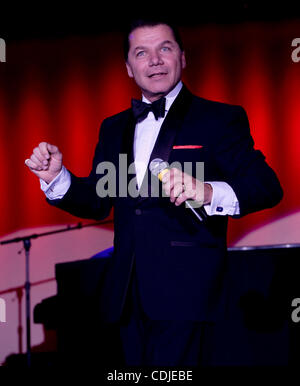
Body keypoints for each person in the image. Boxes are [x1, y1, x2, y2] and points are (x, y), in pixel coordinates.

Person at [25, 19, 283, 366]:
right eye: (141, 53)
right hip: (126, 295)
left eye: (165, 48)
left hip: (189, 292)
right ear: (129, 68)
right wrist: (58, 178)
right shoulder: (113, 127)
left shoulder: (220, 119)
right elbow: (99, 201)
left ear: (183, 57)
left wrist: (207, 191)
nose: (155, 60)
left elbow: (267, 186)